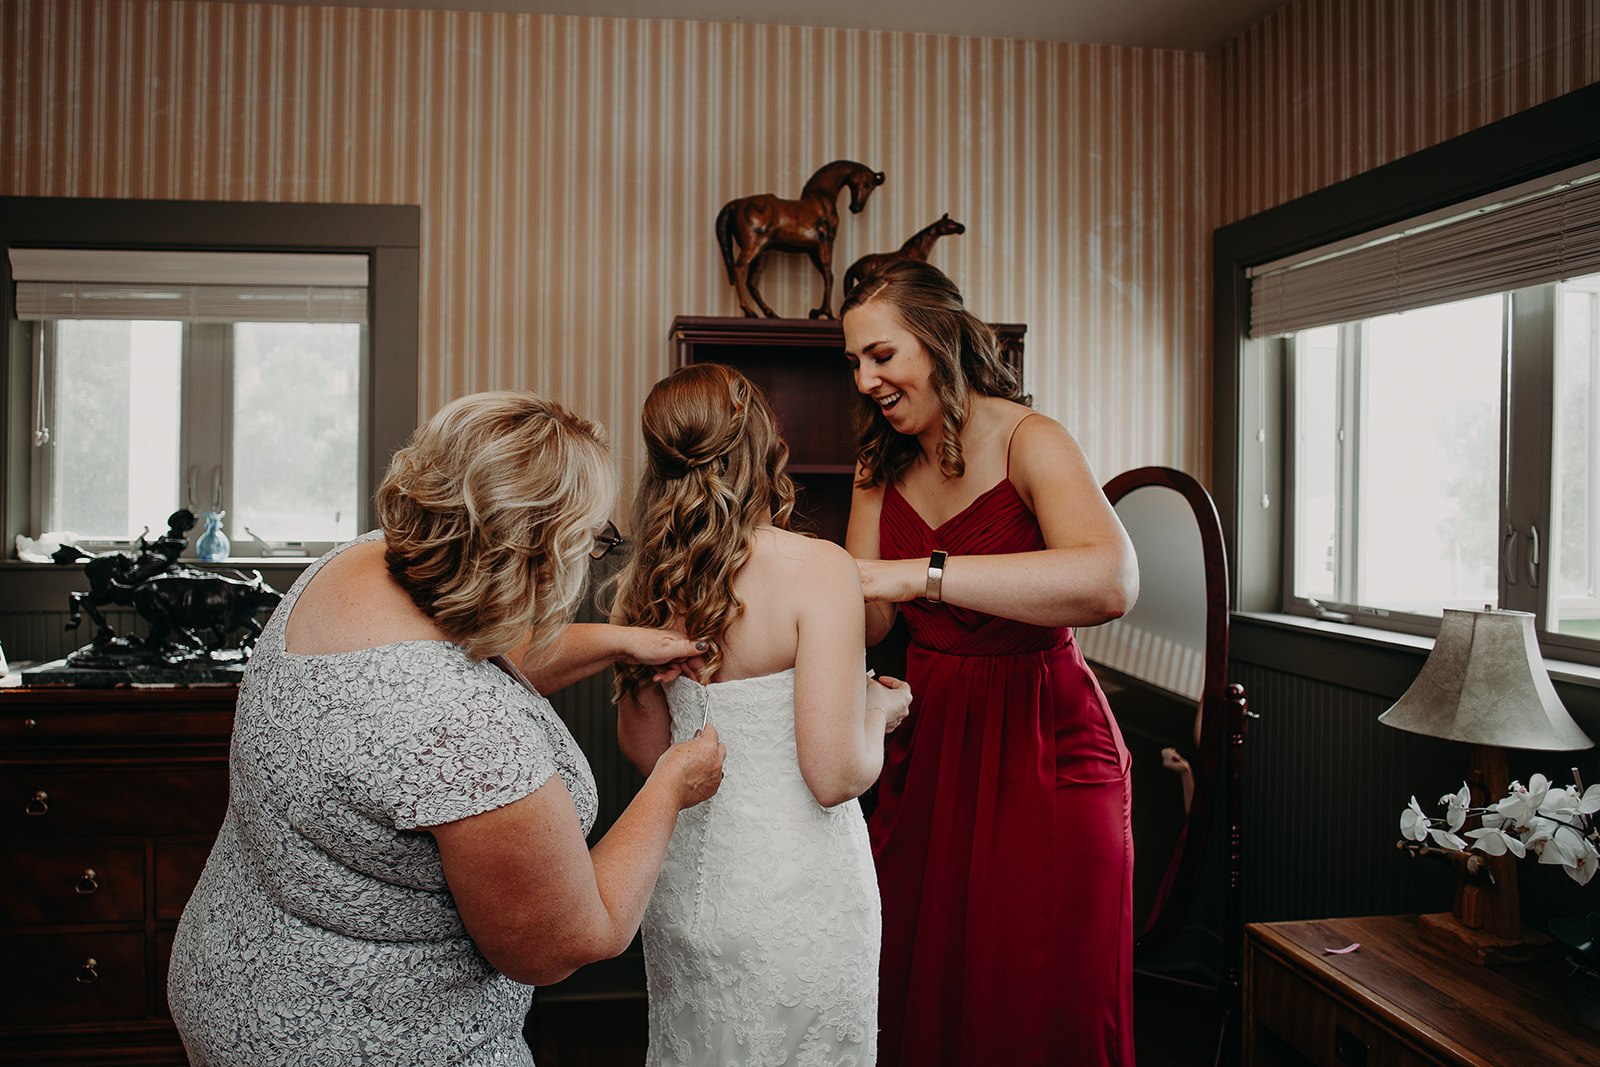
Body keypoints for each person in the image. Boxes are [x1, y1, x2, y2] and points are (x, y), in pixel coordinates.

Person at [167, 391, 726, 1066]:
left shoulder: (358, 564)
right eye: (592, 539)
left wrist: (622, 640)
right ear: (539, 551)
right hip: (372, 1037)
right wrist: (669, 784)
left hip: (237, 975)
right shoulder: (462, 730)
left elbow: (491, 644)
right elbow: (565, 940)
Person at [840, 261, 1140, 1066]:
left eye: (880, 355)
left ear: (937, 342)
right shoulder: (881, 464)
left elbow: (1111, 581)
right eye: (855, 364)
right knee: (915, 970)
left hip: (1045, 735)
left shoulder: (1029, 439)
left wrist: (924, 571)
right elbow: (871, 616)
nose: (866, 379)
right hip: (930, 739)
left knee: (1043, 990)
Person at [611, 363, 913, 1066]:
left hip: (685, 888)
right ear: (761, 446)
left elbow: (651, 750)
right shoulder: (819, 568)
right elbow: (834, 775)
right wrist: (879, 708)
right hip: (795, 894)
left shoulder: (649, 578)